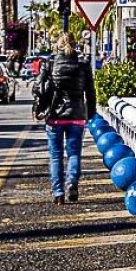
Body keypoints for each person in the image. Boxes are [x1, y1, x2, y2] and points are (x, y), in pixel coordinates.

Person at [33, 32, 96, 203]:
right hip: (76, 115)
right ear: (75, 44)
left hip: (54, 115)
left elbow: (37, 87)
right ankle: (72, 183)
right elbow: (90, 91)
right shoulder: (83, 64)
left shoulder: (50, 63)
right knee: (74, 153)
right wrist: (90, 113)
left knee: (56, 155)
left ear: (57, 45)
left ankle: (58, 193)